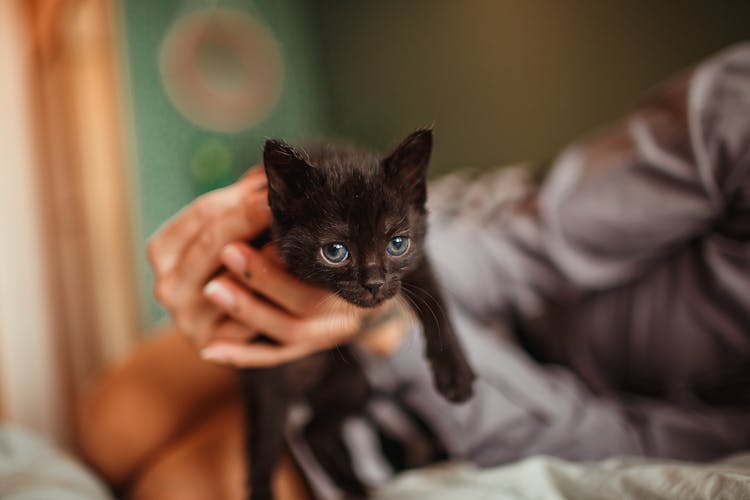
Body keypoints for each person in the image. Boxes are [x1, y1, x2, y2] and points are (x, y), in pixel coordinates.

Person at [77, 42, 750, 500]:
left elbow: (622, 449)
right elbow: (527, 241)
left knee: (174, 488)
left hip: (495, 393)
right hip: (448, 258)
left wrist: (384, 325)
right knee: (107, 423)